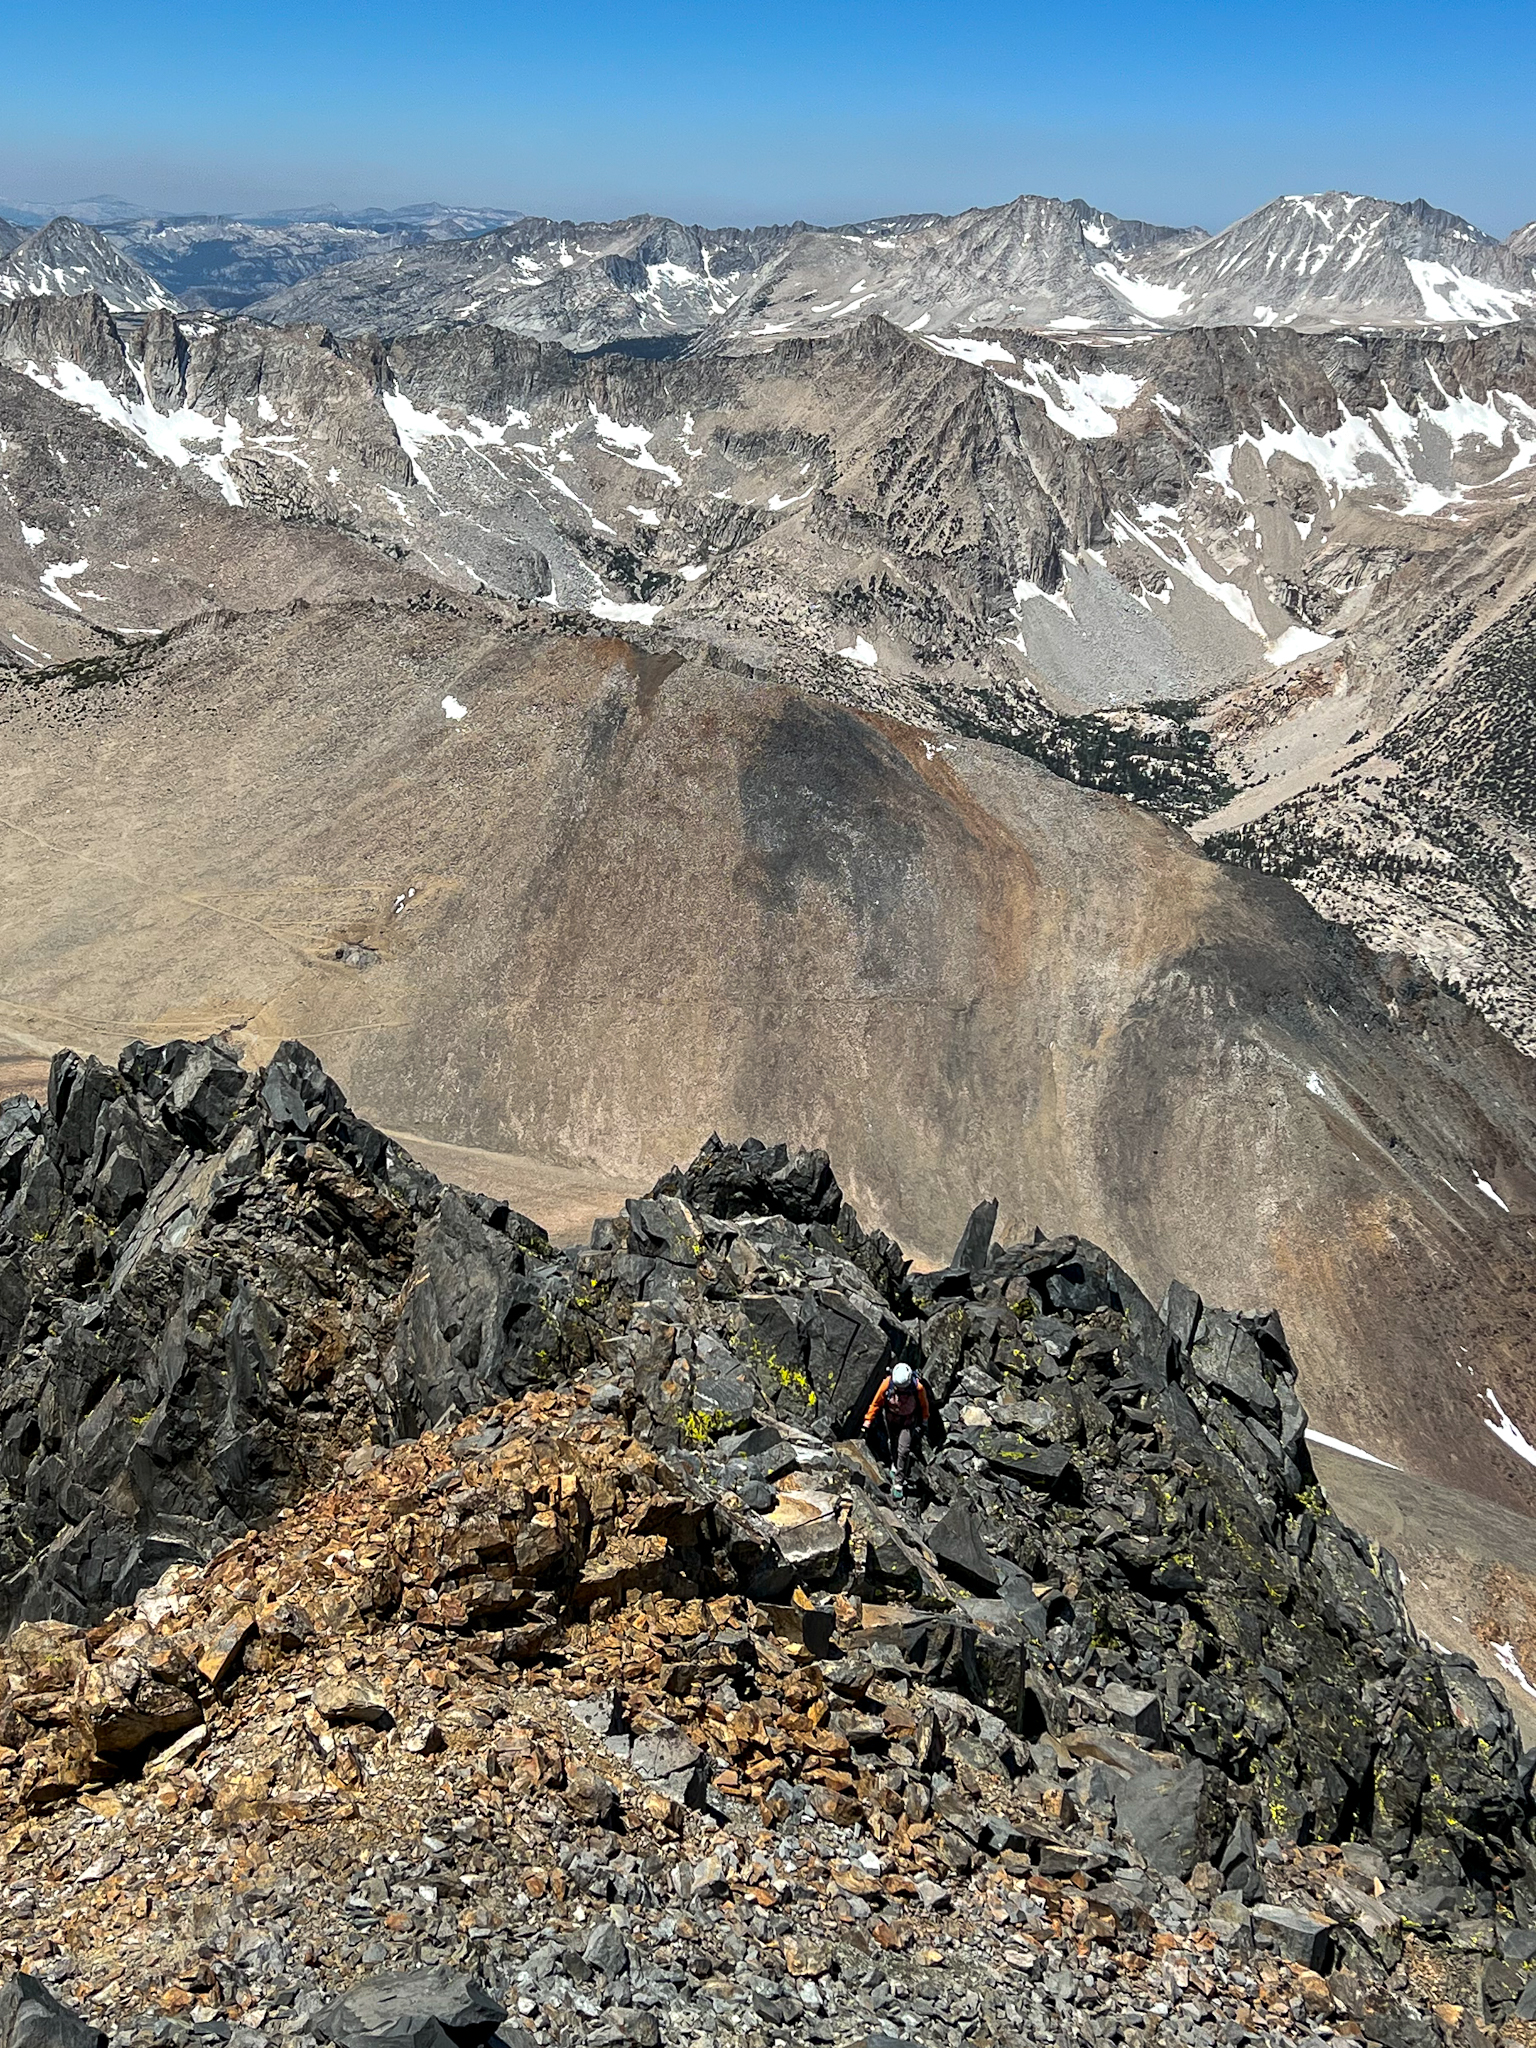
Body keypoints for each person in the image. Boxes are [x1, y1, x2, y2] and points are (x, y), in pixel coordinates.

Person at [864, 1362, 930, 1500]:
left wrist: (924, 1420)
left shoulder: (917, 1387)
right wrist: (868, 1420)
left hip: (908, 1422)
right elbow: (876, 1403)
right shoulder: (887, 1384)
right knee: (893, 1443)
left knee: (904, 1449)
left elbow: (924, 1405)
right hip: (891, 1420)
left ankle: (898, 1483)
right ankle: (895, 1464)